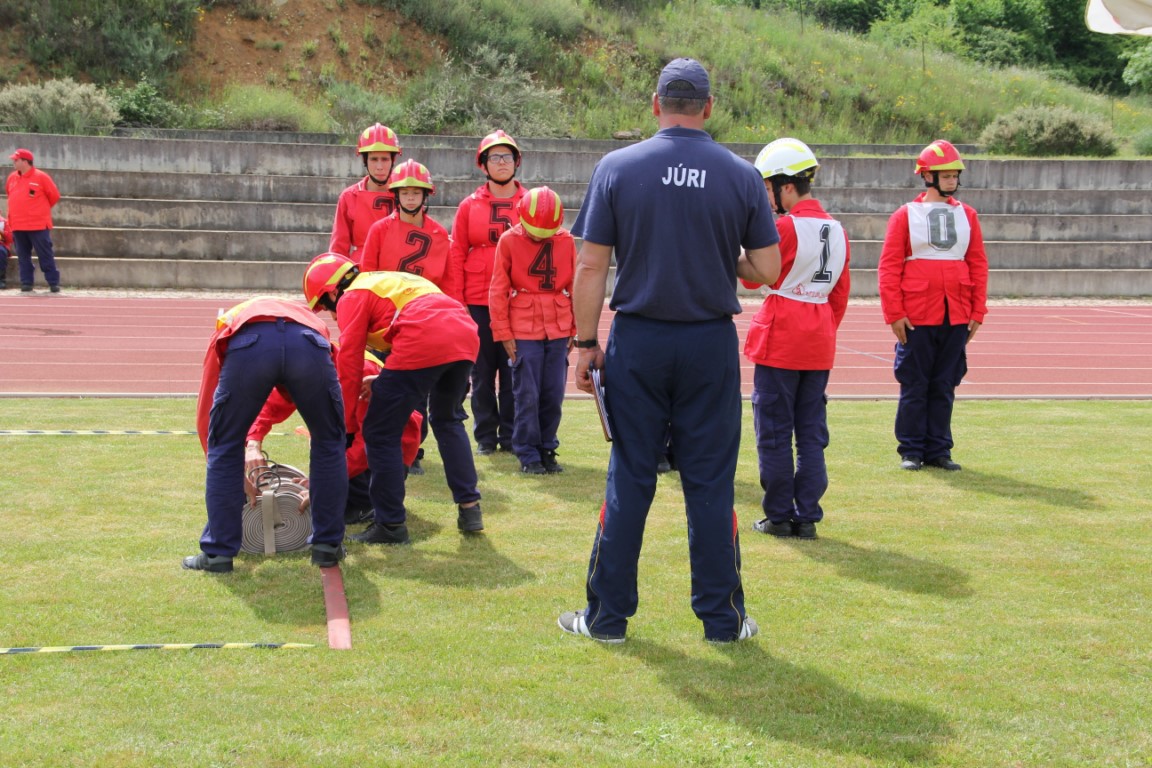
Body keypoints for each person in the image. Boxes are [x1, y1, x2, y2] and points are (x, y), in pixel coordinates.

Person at [558, 58, 781, 644]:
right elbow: (766, 267)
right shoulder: (740, 175)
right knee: (709, 483)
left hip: (640, 341)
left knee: (630, 477)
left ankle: (606, 619)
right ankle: (722, 621)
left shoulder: (618, 166)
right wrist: (715, 255)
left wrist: (584, 345)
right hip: (708, 341)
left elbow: (590, 264)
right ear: (708, 108)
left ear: (655, 104)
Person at [302, 253, 483, 544]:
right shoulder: (387, 282)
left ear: (333, 290)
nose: (331, 315)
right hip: (464, 333)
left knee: (379, 432)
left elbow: (349, 364)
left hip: (422, 337)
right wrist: (385, 379)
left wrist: (345, 426)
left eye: (325, 305)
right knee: (448, 420)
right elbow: (424, 321)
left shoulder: (352, 296)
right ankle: (470, 509)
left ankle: (390, 525)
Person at [185, 297, 348, 572]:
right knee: (329, 443)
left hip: (250, 340)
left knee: (224, 446)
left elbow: (209, 414)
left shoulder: (229, 324)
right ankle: (327, 547)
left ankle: (218, 554)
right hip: (311, 342)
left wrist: (231, 467)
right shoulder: (309, 320)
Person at [744, 138, 850, 540]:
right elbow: (840, 294)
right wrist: (819, 327)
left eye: (769, 186)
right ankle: (807, 515)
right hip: (819, 339)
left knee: (773, 432)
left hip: (781, 339)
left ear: (786, 186)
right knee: (810, 434)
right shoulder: (837, 230)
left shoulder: (784, 227)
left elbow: (753, 276)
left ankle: (778, 516)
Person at [878, 139, 988, 472]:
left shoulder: (968, 215)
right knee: (915, 384)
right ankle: (911, 450)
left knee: (944, 384)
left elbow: (978, 263)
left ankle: (939, 450)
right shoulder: (904, 216)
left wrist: (977, 311)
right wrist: (894, 313)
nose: (952, 180)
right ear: (927, 176)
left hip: (955, 312)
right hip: (916, 315)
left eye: (955, 174)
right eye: (945, 174)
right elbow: (889, 266)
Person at [243, 346, 423, 525]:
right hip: (350, 436)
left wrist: (324, 483)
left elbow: (367, 441)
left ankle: (367, 504)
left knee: (336, 508)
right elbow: (272, 405)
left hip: (389, 445)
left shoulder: (360, 371)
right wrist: (253, 445)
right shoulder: (302, 364)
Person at [359, 158, 455, 475]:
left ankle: (413, 450)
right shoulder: (379, 230)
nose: (411, 198)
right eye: (405, 192)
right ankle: (380, 446)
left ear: (426, 195)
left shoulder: (441, 236)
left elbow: (449, 286)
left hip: (421, 324)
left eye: (416, 192)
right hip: (383, 323)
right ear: (396, 195)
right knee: (381, 385)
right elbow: (367, 277)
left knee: (416, 391)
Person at [448, 130, 527, 455]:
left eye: (506, 156)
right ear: (483, 164)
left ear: (516, 161)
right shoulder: (469, 205)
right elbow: (456, 252)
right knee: (481, 373)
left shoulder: (530, 201)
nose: (501, 162)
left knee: (513, 371)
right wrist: (457, 301)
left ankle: (510, 435)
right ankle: (485, 437)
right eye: (494, 157)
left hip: (517, 299)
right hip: (477, 298)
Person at [488, 186, 576, 475]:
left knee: (553, 392)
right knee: (526, 393)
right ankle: (527, 453)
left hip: (558, 325)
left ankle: (547, 447)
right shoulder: (509, 240)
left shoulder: (566, 242)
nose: (540, 236)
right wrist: (502, 332)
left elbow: (576, 285)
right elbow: (499, 288)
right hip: (523, 325)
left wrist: (576, 327)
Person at [328, 123, 402, 263]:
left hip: (397, 274)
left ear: (393, 160)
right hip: (361, 273)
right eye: (374, 159)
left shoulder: (406, 194)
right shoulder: (349, 197)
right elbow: (338, 248)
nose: (379, 166)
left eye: (384, 159)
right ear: (365, 161)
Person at [5, 148, 62, 293]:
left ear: (25, 162)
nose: (13, 161)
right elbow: (9, 195)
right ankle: (26, 283)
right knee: (23, 256)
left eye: (16, 160)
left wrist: (38, 211)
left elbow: (54, 196)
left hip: (38, 225)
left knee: (45, 254)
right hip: (18, 225)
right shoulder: (12, 177)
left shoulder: (41, 177)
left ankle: (53, 282)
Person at [0, 211, 12, 290]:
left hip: (1, 244)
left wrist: (2, 232)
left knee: (1, 252)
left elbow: (10, 239)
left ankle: (1, 279)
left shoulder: (3, 222)